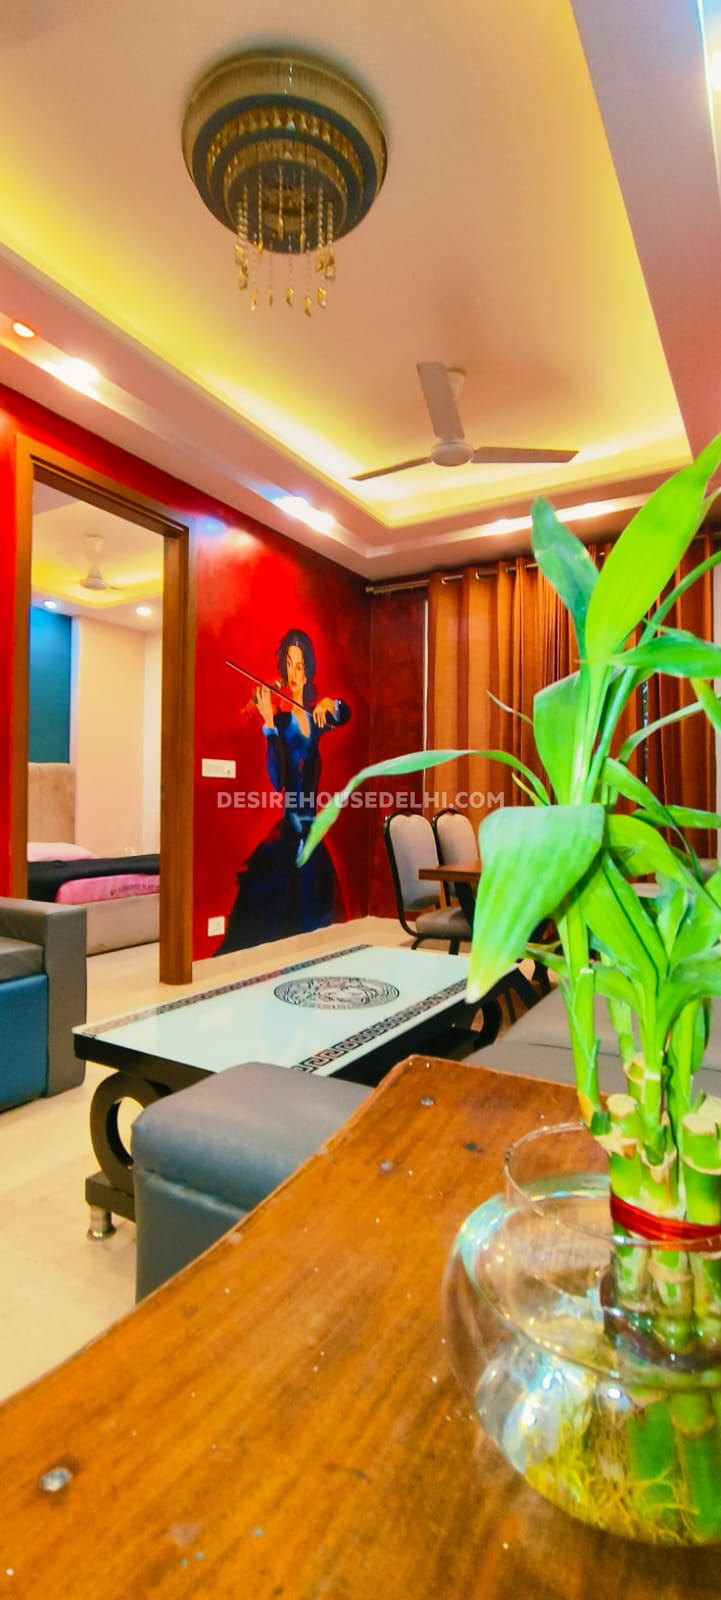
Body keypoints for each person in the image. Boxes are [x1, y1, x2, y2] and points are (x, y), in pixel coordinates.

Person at [216, 628, 351, 954]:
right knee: (276, 916)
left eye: (300, 665)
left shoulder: (317, 719)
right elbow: (279, 780)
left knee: (316, 916)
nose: (293, 673)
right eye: (289, 664)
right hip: (288, 829)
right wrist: (267, 724)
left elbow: (344, 714)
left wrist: (332, 703)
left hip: (311, 828)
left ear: (308, 672)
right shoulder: (278, 721)